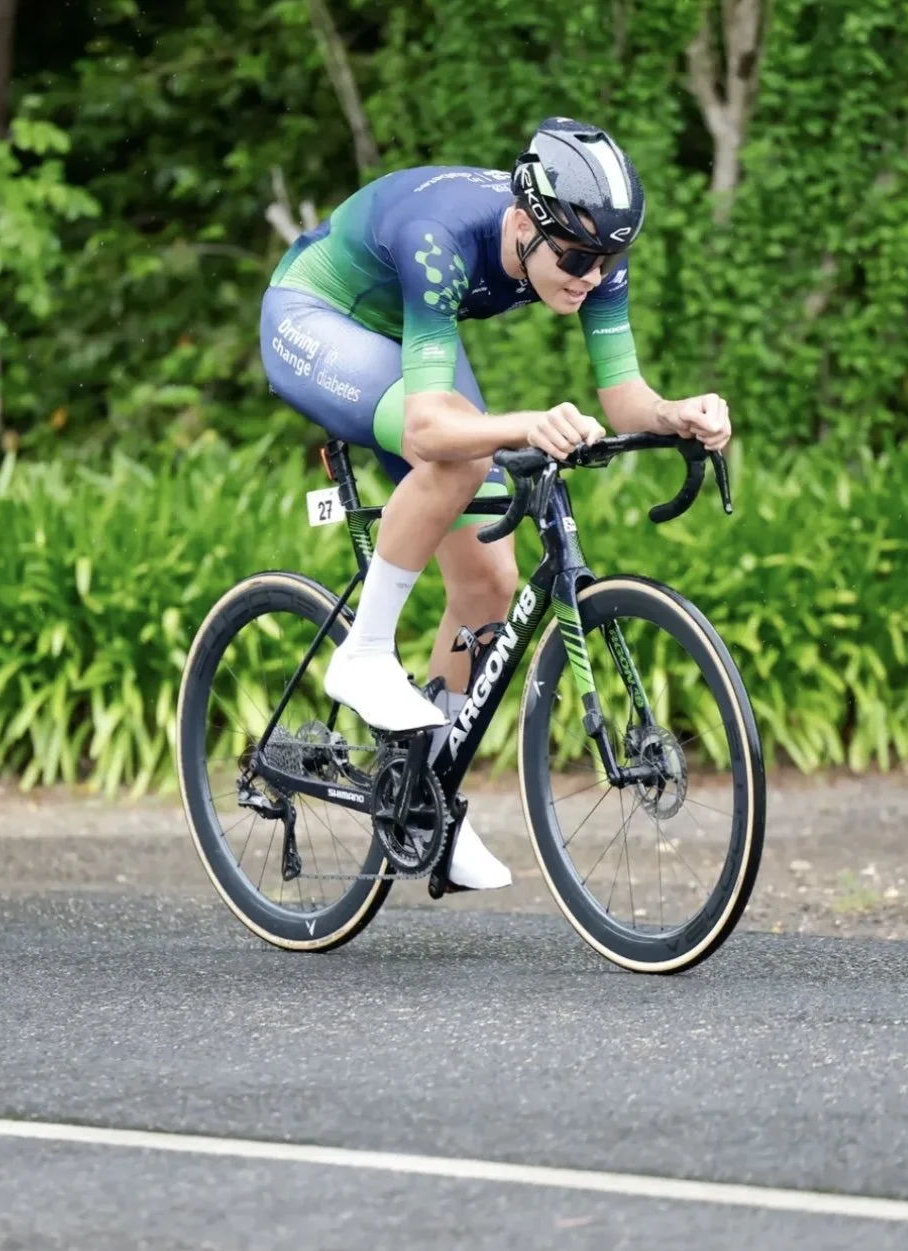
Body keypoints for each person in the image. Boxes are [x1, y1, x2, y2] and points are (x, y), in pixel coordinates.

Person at [259, 117, 731, 890]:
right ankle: (364, 653)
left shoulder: (588, 246)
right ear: (522, 224)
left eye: (609, 260)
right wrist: (525, 424)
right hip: (319, 321)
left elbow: (623, 399)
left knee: (487, 583)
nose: (592, 275)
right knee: (458, 449)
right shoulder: (440, 237)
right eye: (577, 258)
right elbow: (425, 424)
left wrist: (679, 413)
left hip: (413, 342)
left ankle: (425, 798)